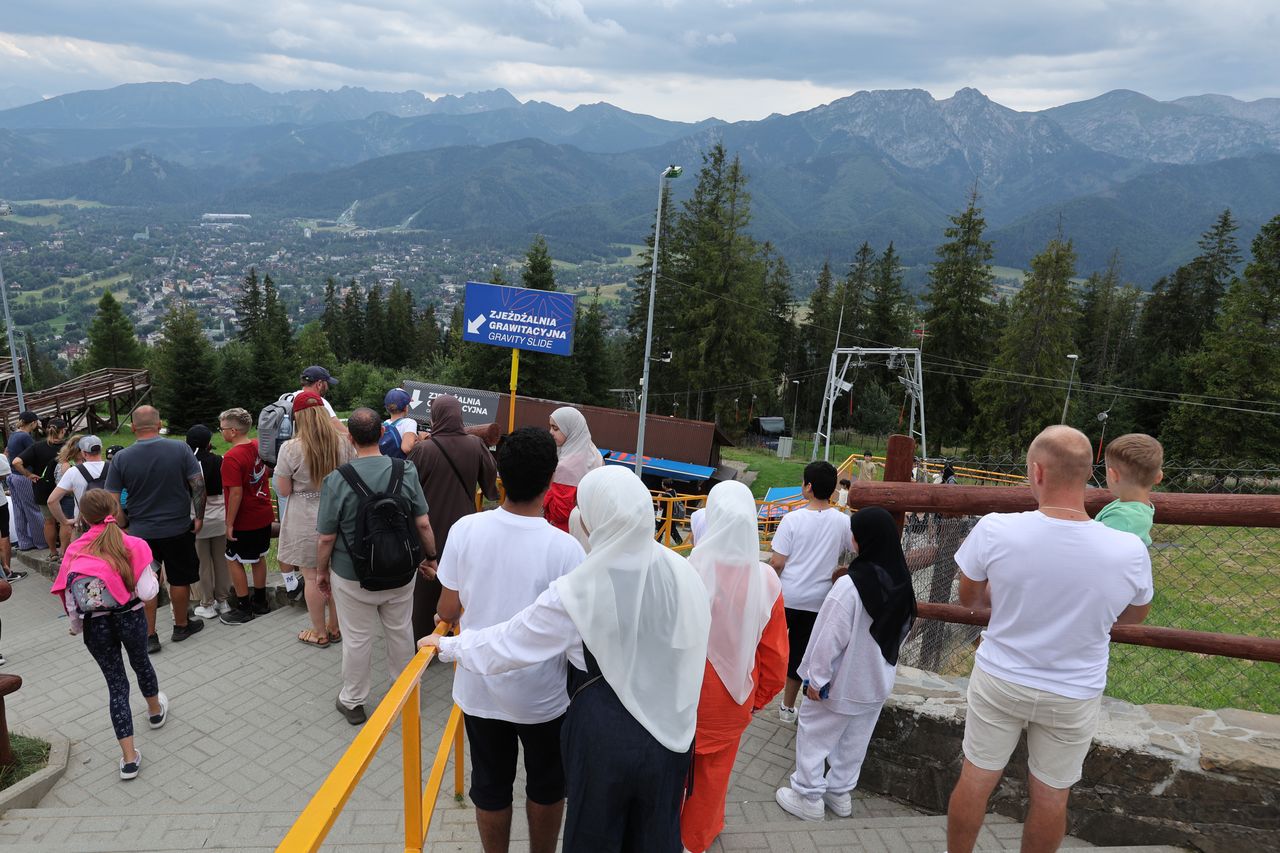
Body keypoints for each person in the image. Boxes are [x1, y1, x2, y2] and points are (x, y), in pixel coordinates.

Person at [421, 465, 711, 852]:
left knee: (596, 835)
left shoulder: (584, 585)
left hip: (608, 733)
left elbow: (515, 640)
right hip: (672, 730)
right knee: (654, 836)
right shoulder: (682, 570)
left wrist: (448, 646)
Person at [945, 426, 1153, 853]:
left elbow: (970, 598)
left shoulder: (995, 528)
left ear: (1037, 472)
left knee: (976, 777)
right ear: (1088, 475)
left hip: (1001, 675)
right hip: (1074, 689)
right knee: (1051, 794)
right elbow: (1133, 615)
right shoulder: (1128, 549)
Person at [434, 427, 584, 853]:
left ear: (499, 475)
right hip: (543, 693)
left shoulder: (466, 529)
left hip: (480, 685)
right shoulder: (566, 549)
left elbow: (447, 611)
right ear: (549, 479)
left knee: (491, 786)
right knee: (547, 784)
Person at [775, 507, 917, 821]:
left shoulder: (850, 588)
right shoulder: (901, 582)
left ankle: (808, 796)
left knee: (815, 734)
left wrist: (817, 678)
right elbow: (902, 632)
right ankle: (839, 794)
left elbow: (829, 639)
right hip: (875, 682)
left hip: (838, 683)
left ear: (863, 539)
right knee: (854, 741)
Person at [681, 480, 788, 852]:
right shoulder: (766, 580)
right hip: (731, 700)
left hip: (680, 698)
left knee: (670, 771)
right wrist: (757, 698)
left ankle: (661, 829)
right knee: (713, 777)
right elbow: (775, 657)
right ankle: (696, 837)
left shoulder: (685, 570)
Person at [316, 408, 438, 725]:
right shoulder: (405, 471)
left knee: (357, 639)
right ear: (383, 435)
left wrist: (320, 573)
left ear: (351, 439)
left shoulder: (337, 479)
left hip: (352, 574)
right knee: (400, 632)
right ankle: (407, 694)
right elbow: (423, 524)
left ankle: (354, 701)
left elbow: (326, 537)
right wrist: (430, 558)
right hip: (400, 571)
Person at [50, 489, 169, 780]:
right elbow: (147, 592)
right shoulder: (133, 544)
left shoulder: (75, 549)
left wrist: (75, 624)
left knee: (116, 686)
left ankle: (129, 759)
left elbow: (66, 592)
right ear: (115, 510)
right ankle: (155, 711)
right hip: (130, 617)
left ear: (84, 517)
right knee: (141, 662)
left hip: (96, 625)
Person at [106, 407, 206, 652]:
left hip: (141, 534)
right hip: (178, 527)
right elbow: (198, 484)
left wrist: (124, 525)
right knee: (179, 579)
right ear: (159, 423)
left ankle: (150, 636)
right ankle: (181, 626)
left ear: (133, 428)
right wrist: (199, 517)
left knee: (145, 581)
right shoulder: (180, 449)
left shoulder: (121, 458)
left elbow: (112, 500)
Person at [405, 394, 498, 640]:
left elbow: (405, 493)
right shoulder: (476, 445)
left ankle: (423, 640)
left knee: (425, 586)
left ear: (434, 417)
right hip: (465, 527)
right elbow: (491, 489)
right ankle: (456, 634)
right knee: (459, 581)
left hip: (428, 528)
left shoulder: (422, 450)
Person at [769, 461, 853, 724]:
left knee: (771, 647)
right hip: (819, 601)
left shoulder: (791, 520)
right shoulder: (842, 522)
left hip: (788, 596)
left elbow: (778, 563)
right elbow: (853, 551)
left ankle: (754, 697)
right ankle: (788, 707)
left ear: (808, 486)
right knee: (801, 653)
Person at [275, 391, 352, 646]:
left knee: (311, 576)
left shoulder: (290, 448)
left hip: (305, 517)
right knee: (336, 574)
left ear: (297, 417)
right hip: (339, 514)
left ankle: (319, 632)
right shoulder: (344, 443)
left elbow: (283, 490)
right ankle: (335, 627)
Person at [217, 408, 275, 625]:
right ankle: (261, 601)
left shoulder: (231, 457)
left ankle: (243, 607)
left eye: (222, 428)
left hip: (245, 518)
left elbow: (236, 492)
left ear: (233, 431)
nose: (221, 432)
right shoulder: (258, 447)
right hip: (263, 512)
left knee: (233, 559)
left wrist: (229, 523)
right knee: (259, 556)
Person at [186, 426, 230, 620]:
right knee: (221, 561)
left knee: (203, 564)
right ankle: (224, 601)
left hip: (198, 518)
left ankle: (207, 604)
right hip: (221, 516)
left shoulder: (189, 463)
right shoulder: (219, 460)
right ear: (208, 442)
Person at [13, 417, 68, 561]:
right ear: (63, 431)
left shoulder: (37, 447)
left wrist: (28, 474)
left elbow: (16, 462)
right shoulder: (69, 447)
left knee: (49, 521)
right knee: (64, 521)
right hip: (65, 489)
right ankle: (64, 552)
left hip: (43, 489)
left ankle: (53, 553)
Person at [1096, 433, 1164, 546]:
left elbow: (1098, 550)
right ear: (1158, 477)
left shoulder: (1121, 519)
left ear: (1113, 476)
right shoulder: (1139, 509)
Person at [543, 406, 601, 534]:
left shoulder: (565, 466)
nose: (550, 432)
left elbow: (559, 513)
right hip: (590, 530)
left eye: (556, 428)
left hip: (564, 532)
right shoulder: (595, 454)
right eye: (551, 427)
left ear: (571, 429)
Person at [48, 435, 109, 540]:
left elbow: (51, 501)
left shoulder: (74, 471)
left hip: (83, 525)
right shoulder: (113, 467)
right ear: (100, 449)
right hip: (110, 525)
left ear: (83, 452)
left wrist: (65, 521)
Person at [6, 411, 43, 552]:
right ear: (33, 423)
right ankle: (41, 541)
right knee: (33, 510)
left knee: (19, 510)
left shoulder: (13, 435)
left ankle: (24, 542)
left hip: (12, 476)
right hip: (23, 476)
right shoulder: (25, 437)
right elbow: (34, 455)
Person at [381, 388, 420, 457]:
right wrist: (421, 440)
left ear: (387, 409)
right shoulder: (409, 422)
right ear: (405, 408)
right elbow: (407, 448)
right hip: (399, 465)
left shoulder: (383, 425)